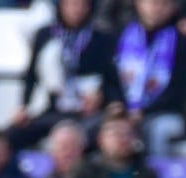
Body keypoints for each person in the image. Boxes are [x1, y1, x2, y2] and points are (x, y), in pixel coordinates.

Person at [10, 0, 114, 150]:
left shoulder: (102, 39)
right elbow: (31, 74)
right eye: (71, 4)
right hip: (54, 110)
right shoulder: (45, 35)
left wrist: (101, 96)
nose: (76, 9)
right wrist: (24, 106)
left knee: (87, 137)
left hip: (87, 112)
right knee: (13, 135)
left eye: (81, 5)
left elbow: (111, 78)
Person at [104, 0, 186, 156]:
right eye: (152, 2)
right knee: (109, 127)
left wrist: (143, 111)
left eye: (163, 4)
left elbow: (179, 89)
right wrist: (117, 102)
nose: (157, 8)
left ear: (172, 7)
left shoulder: (182, 41)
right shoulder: (120, 34)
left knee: (158, 130)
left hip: (164, 111)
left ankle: (153, 177)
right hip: (124, 110)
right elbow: (109, 76)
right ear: (139, 4)